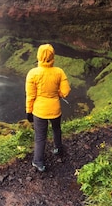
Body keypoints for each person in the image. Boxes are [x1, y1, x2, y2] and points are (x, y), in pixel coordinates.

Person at [25, 43, 71, 172]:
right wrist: (58, 94)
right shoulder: (59, 72)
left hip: (39, 111)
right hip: (55, 109)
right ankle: (58, 148)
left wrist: (29, 111)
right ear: (53, 56)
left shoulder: (33, 73)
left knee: (40, 137)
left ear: (38, 56)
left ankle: (38, 161)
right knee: (56, 129)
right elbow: (66, 91)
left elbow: (30, 96)